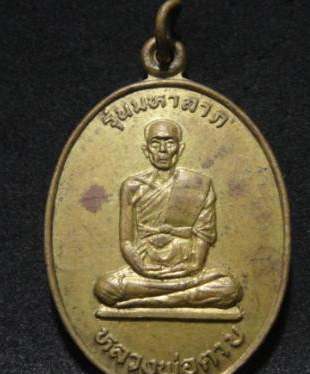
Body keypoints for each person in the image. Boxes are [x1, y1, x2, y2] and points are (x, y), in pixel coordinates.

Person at [94, 119, 242, 309]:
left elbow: (203, 238)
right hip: (145, 269)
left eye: (169, 142)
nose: (163, 150)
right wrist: (141, 268)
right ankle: (177, 298)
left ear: (180, 148)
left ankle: (150, 300)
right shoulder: (132, 186)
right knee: (105, 288)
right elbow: (126, 241)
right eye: (156, 143)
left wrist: (192, 266)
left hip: (187, 269)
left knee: (229, 288)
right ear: (146, 149)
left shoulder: (199, 185)